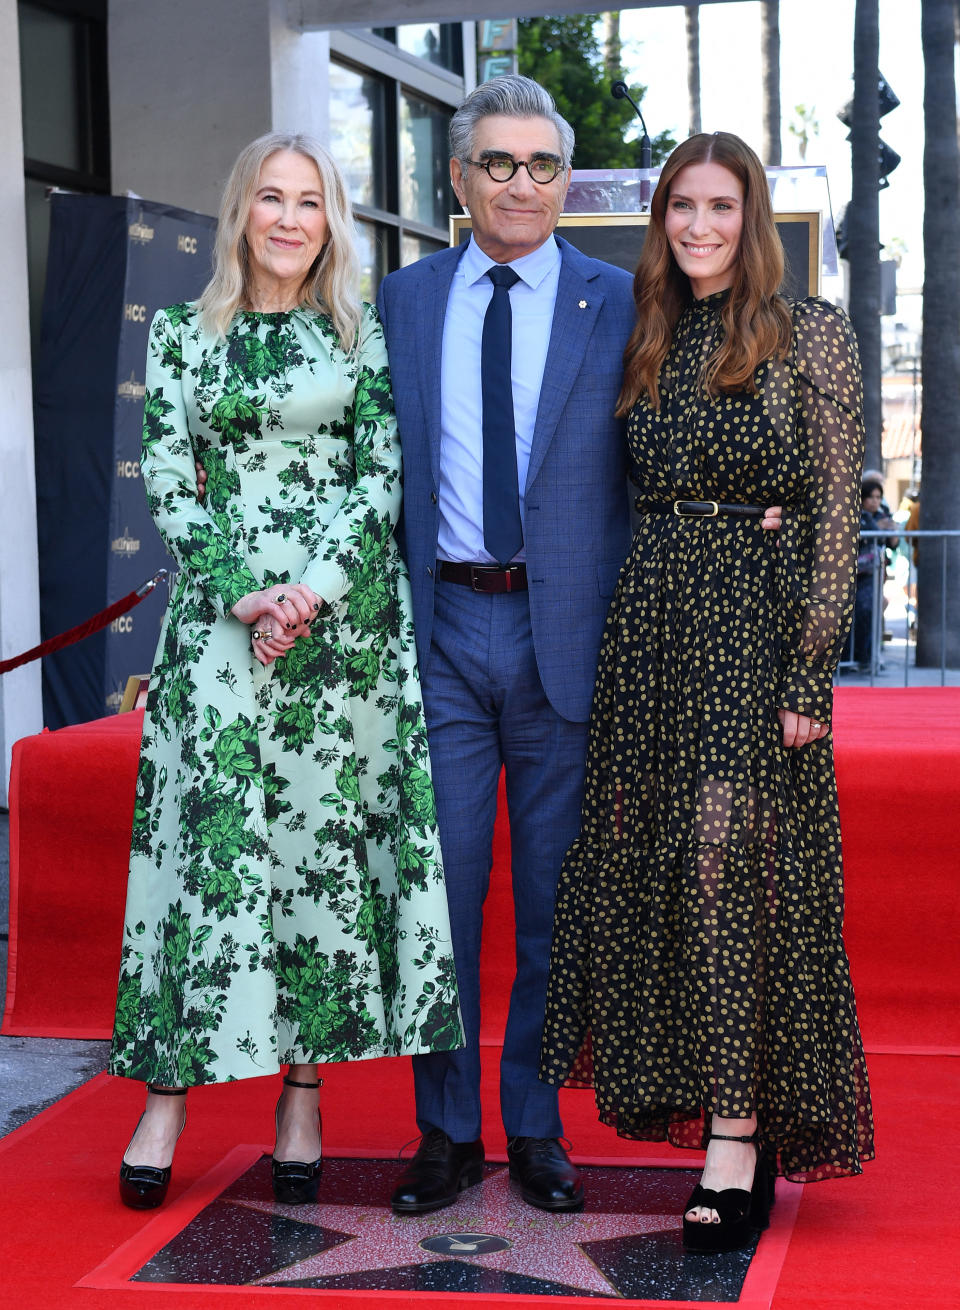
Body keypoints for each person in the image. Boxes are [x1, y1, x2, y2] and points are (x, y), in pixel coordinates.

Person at [376, 77, 783, 1217]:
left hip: (574, 644)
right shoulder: (403, 304)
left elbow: (708, 420)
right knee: (443, 898)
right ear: (459, 179)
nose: (521, 185)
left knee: (561, 905)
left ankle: (537, 1124)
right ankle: (445, 1130)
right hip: (443, 631)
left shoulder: (627, 303)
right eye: (497, 164)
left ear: (567, 180)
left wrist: (772, 501)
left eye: (542, 165)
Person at [110, 132, 463, 1211]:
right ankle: (167, 1092)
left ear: (331, 221)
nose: (290, 218)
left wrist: (305, 592)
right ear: (241, 212)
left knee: (316, 852)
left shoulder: (360, 334)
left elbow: (380, 478)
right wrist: (240, 592)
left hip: (338, 634)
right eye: (272, 196)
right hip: (220, 629)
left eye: (311, 201)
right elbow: (170, 477)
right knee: (202, 852)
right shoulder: (180, 334)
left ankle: (300, 1093)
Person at [539, 131, 874, 1254]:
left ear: (754, 214)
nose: (698, 227)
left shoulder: (806, 334)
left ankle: (738, 1134)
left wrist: (807, 676)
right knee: (664, 875)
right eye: (681, 206)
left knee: (732, 874)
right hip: (652, 630)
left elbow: (836, 515)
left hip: (752, 628)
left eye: (720, 206)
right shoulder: (651, 330)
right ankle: (724, 1102)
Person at [854, 477, 899, 670]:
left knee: (873, 614)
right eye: (871, 497)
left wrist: (893, 530)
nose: (875, 501)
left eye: (878, 497)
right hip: (857, 576)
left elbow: (892, 544)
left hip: (875, 575)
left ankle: (870, 658)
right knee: (862, 613)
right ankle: (859, 658)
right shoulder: (859, 516)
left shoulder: (882, 516)